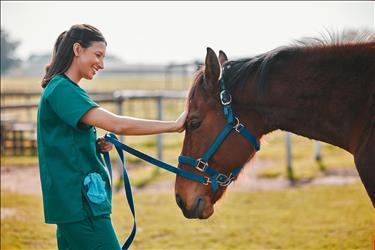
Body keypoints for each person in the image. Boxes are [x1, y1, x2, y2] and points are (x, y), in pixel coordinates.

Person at [37, 24, 187, 250]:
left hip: (72, 204)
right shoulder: (63, 89)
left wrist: (93, 145)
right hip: (81, 205)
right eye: (97, 55)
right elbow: (117, 124)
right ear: (77, 49)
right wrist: (174, 126)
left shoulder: (62, 88)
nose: (102, 64)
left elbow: (64, 141)